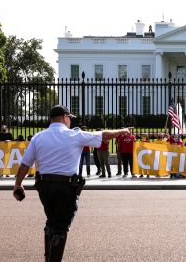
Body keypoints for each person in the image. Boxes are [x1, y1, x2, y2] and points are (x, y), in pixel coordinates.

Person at [13, 105, 129, 262]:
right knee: (61, 226)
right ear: (64, 118)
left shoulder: (38, 137)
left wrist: (18, 185)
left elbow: (25, 164)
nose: (70, 121)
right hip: (66, 186)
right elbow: (104, 135)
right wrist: (122, 131)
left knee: (51, 221)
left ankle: (48, 258)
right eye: (69, 118)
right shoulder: (75, 135)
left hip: (44, 187)